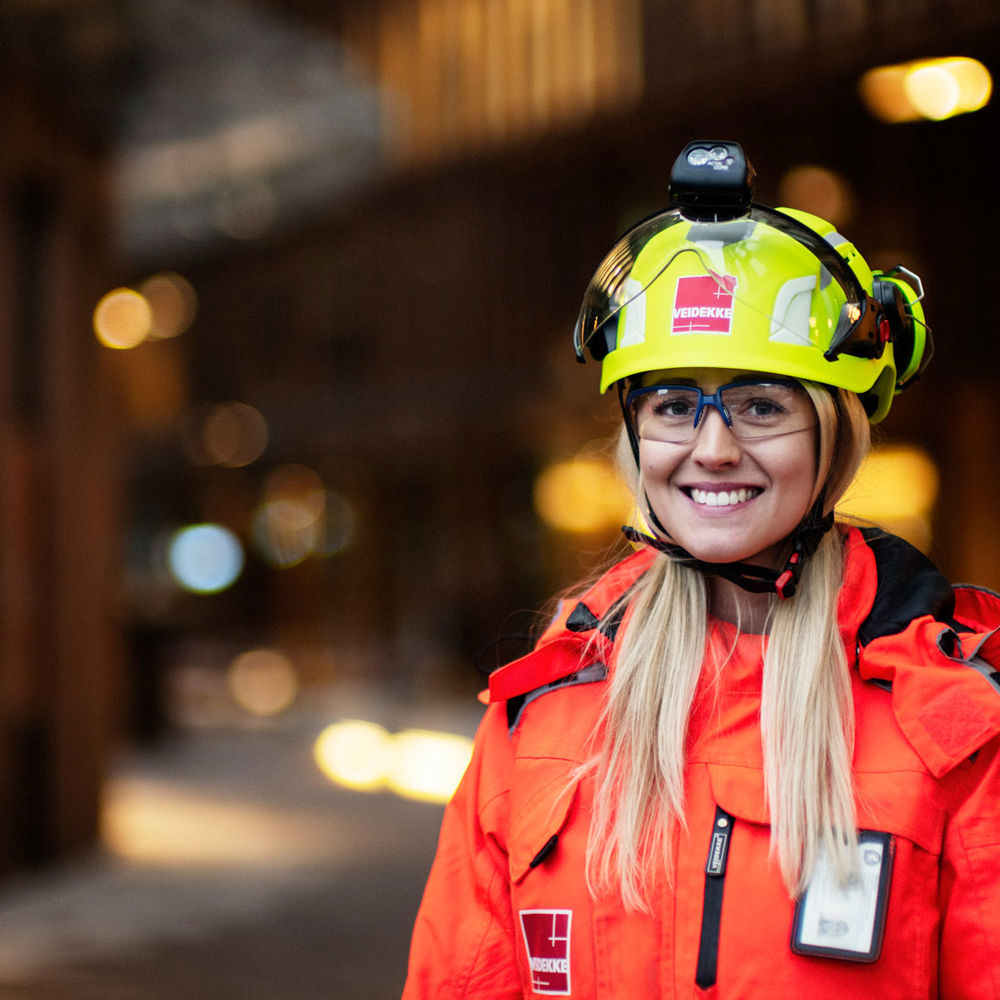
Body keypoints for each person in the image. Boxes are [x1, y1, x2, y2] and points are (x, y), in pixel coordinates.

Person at [402, 140, 1000, 998]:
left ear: (837, 435)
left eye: (761, 405)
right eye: (676, 405)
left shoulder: (958, 732)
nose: (713, 450)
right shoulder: (539, 718)